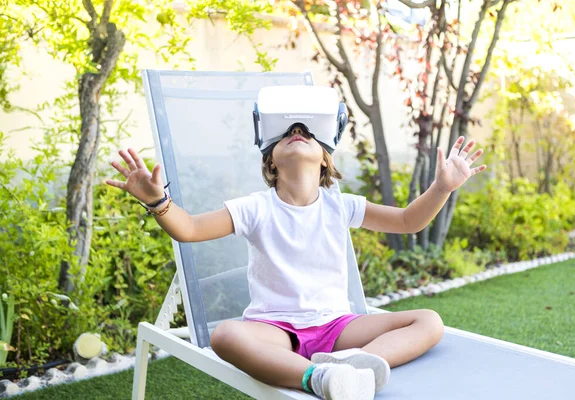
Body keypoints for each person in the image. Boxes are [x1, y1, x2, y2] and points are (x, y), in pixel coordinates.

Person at [106, 91, 486, 400]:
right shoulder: (255, 207)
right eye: (287, 131)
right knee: (225, 335)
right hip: (276, 329)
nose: (297, 130)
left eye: (307, 131)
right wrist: (158, 202)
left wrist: (443, 187)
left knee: (429, 321)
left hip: (338, 328)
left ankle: (358, 365)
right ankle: (317, 378)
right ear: (271, 162)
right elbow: (187, 228)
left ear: (325, 161)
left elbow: (408, 221)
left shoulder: (341, 204)